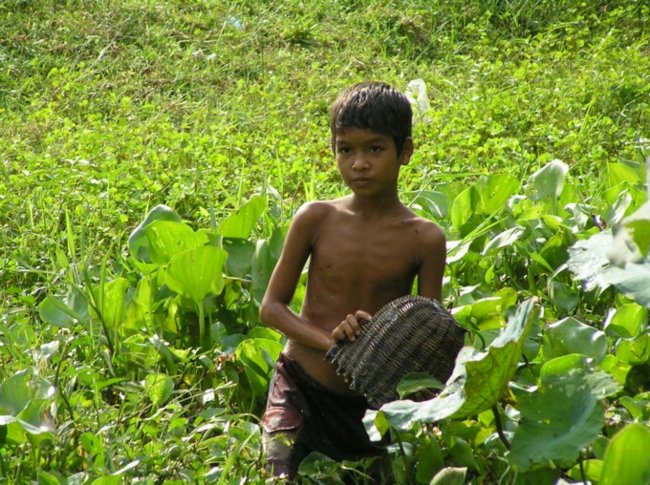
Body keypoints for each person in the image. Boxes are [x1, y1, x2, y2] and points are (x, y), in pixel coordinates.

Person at [259, 81, 446, 480]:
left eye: (375, 149)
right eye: (346, 149)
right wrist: (334, 345)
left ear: (405, 152)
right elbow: (271, 309)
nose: (359, 163)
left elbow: (430, 336)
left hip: (371, 405)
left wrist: (423, 398)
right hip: (300, 387)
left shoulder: (424, 239)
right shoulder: (315, 218)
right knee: (277, 472)